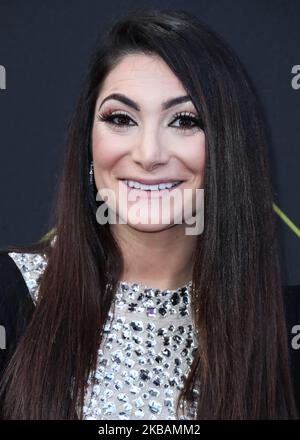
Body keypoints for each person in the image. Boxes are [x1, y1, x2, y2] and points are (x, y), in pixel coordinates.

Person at [0, 8, 299, 420]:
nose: (149, 155)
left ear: (227, 150)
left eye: (184, 120)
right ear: (89, 143)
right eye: (121, 119)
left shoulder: (283, 331)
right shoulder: (11, 297)